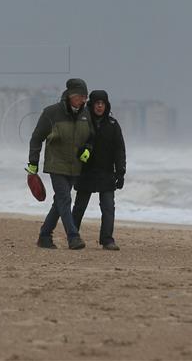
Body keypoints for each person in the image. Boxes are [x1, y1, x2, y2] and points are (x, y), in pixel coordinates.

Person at [27, 78, 92, 250]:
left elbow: (90, 137)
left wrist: (87, 149)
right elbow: (36, 138)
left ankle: (44, 236)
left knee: (59, 203)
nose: (83, 100)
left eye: (85, 96)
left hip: (75, 166)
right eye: (80, 96)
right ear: (70, 95)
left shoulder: (86, 115)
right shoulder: (51, 113)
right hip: (56, 164)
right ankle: (73, 237)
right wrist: (33, 163)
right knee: (64, 198)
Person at [72, 90, 126, 250]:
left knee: (108, 208)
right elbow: (73, 144)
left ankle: (107, 240)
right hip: (85, 172)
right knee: (79, 207)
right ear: (92, 104)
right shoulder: (83, 122)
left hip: (107, 173)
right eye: (97, 103)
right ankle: (73, 236)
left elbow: (119, 150)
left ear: (106, 105)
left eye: (103, 103)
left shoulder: (113, 125)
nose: (100, 106)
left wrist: (121, 172)